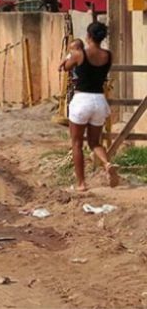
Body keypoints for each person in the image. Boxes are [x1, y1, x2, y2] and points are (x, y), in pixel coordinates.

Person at [59, 21, 119, 191]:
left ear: (89, 36)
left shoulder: (79, 54)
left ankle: (81, 183)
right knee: (95, 142)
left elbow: (67, 68)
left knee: (77, 143)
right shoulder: (108, 55)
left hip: (81, 100)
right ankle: (107, 163)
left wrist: (69, 56)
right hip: (99, 101)